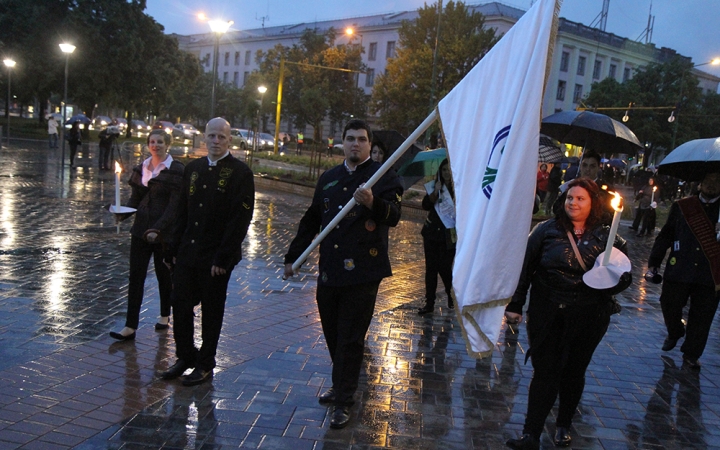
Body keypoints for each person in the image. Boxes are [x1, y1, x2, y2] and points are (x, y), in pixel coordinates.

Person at [283, 119, 403, 429]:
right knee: (333, 334)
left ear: (369, 144)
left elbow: (395, 216)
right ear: (342, 143)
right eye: (350, 139)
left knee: (351, 339)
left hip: (364, 272)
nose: (355, 144)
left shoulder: (383, 177)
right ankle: (341, 383)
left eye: (362, 140)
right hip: (331, 270)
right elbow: (311, 220)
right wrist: (292, 257)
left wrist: (373, 202)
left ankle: (344, 399)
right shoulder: (329, 178)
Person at [505, 177, 631, 450]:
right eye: (569, 198)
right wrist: (515, 304)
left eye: (581, 198)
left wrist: (619, 281)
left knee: (574, 371)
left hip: (588, 316)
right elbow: (524, 267)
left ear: (593, 203)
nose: (573, 203)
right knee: (545, 372)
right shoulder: (545, 231)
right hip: (548, 313)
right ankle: (531, 434)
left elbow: (622, 275)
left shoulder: (609, 237)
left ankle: (563, 424)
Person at [158, 118, 255, 386]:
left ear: (229, 140)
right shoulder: (194, 168)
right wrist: (172, 248)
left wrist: (224, 257)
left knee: (212, 310)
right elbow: (182, 212)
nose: (215, 141)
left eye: (221, 137)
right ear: (204, 138)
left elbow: (240, 220)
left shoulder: (240, 173)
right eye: (211, 136)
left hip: (216, 257)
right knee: (180, 303)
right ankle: (185, 355)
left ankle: (205, 363)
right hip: (189, 251)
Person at [109, 130, 184, 341]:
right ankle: (130, 326)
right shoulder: (143, 167)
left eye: (160, 142)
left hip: (163, 233)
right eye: (152, 141)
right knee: (136, 277)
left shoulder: (176, 170)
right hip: (141, 230)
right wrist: (121, 214)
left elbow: (174, 206)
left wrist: (158, 229)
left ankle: (164, 315)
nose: (155, 145)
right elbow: (136, 199)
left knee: (163, 274)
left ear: (167, 144)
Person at [647, 171, 720, 370]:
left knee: (702, 317)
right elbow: (666, 235)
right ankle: (675, 330)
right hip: (680, 267)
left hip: (710, 273)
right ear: (700, 182)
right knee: (669, 302)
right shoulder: (683, 206)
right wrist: (654, 261)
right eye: (708, 180)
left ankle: (691, 353)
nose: (712, 185)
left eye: (717, 181)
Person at [418, 159, 456, 314]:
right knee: (431, 269)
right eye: (444, 170)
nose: (447, 173)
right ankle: (429, 303)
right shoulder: (434, 186)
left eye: (449, 170)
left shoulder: (459, 189)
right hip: (431, 233)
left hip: (449, 235)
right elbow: (425, 205)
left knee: (445, 268)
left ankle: (451, 294)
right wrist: (435, 192)